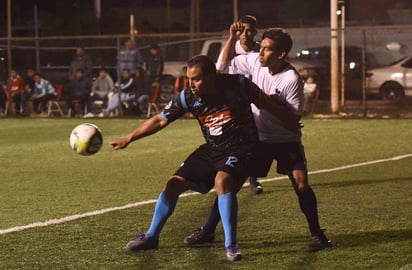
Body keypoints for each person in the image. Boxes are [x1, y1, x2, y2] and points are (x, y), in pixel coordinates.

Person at [109, 55, 296, 262]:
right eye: (189, 79)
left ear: (212, 76)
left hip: (243, 148)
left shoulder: (238, 84)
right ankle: (151, 237)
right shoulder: (188, 97)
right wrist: (129, 138)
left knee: (222, 180)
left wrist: (290, 120)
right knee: (172, 185)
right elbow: (159, 120)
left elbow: (266, 104)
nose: (191, 85)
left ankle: (231, 245)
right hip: (212, 149)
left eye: (196, 79)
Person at [184, 26, 332, 251]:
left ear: (281, 54)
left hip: (286, 140)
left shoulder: (291, 79)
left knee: (301, 184)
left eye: (266, 49)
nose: (260, 52)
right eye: (260, 47)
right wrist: (232, 38)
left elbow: (292, 118)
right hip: (257, 139)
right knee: (230, 183)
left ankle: (317, 233)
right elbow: (222, 66)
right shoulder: (255, 62)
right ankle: (207, 231)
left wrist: (264, 101)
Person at [216, 14, 263, 194]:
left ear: (255, 32)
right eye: (241, 30)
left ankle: (253, 178)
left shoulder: (259, 50)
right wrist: (231, 36)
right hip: (234, 103)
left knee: (254, 140)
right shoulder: (232, 47)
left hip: (255, 101)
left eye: (248, 30)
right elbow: (221, 66)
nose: (244, 34)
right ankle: (228, 173)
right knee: (233, 140)